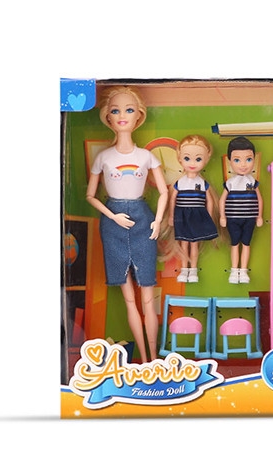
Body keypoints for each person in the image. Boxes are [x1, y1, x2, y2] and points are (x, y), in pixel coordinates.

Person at [86, 85, 168, 363]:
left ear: (139, 116)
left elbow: (164, 192)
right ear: (108, 117)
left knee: (147, 295)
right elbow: (90, 196)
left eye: (129, 110)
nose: (122, 116)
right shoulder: (103, 157)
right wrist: (113, 216)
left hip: (144, 220)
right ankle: (143, 358)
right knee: (129, 299)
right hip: (113, 224)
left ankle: (153, 358)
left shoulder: (146, 156)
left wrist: (158, 220)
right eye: (116, 110)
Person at [168, 135, 219, 283]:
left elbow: (209, 200)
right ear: (180, 158)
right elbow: (172, 199)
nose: (192, 163)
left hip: (197, 216)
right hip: (182, 216)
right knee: (184, 244)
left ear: (206, 159)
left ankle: (193, 270)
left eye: (198, 159)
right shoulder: (180, 182)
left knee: (194, 244)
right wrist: (171, 216)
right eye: (187, 158)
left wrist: (209, 217)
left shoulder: (202, 183)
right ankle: (184, 270)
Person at [219, 136, 263, 284]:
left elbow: (259, 199)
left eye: (248, 159)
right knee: (234, 243)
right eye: (237, 160)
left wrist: (259, 216)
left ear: (254, 160)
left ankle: (243, 271)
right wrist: (222, 216)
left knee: (246, 243)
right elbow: (222, 200)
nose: (243, 164)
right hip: (232, 219)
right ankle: (234, 271)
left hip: (249, 219)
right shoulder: (230, 183)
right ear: (229, 161)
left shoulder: (252, 182)